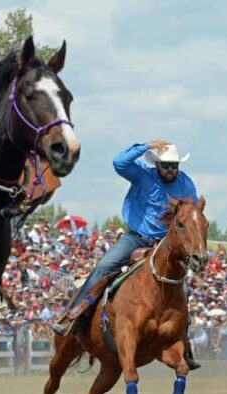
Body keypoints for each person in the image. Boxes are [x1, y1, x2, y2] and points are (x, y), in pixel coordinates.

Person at [51, 140, 201, 370]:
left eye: (174, 165)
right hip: (137, 238)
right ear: (157, 164)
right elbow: (119, 163)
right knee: (104, 266)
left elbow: (190, 214)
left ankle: (183, 343)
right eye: (166, 165)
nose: (171, 170)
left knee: (184, 288)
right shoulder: (143, 176)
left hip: (166, 244)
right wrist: (146, 145)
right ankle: (75, 317)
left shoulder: (186, 183)